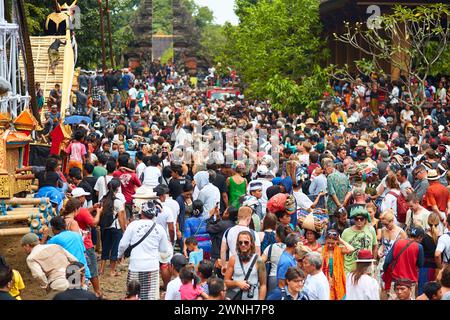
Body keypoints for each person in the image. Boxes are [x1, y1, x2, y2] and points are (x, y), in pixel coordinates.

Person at [118, 200, 169, 300]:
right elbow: (164, 249)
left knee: (133, 294)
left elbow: (123, 244)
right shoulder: (159, 228)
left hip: (135, 264)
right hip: (152, 265)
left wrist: (119, 255)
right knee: (149, 295)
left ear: (141, 213)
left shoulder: (132, 225)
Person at [21, 233, 78, 297]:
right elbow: (74, 260)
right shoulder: (55, 246)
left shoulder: (31, 258)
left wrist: (45, 285)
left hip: (58, 284)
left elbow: (38, 275)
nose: (24, 250)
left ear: (27, 245)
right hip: (73, 280)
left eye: (23, 247)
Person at [383, 226, 425, 299]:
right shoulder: (419, 247)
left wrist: (385, 271)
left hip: (396, 281)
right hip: (410, 282)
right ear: (420, 237)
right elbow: (420, 264)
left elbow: (387, 261)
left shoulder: (398, 242)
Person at [224, 230, 267, 300]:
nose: (243, 245)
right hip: (236, 297)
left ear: (251, 244)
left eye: (246, 242)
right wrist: (237, 283)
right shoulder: (233, 259)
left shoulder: (259, 261)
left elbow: (263, 284)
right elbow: (226, 282)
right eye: (240, 243)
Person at [47, 217, 91, 282]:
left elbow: (43, 254)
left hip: (69, 276)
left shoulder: (54, 239)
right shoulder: (77, 235)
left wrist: (45, 236)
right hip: (84, 272)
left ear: (52, 228)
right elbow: (83, 252)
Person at [220, 206, 261, 275]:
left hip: (232, 268)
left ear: (238, 218)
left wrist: (223, 266)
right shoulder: (253, 233)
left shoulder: (228, 231)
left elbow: (223, 251)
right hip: (248, 270)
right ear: (249, 219)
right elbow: (257, 254)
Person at [99, 178, 126, 277]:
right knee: (114, 248)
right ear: (118, 188)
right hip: (115, 227)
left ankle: (101, 269)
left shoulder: (103, 199)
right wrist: (124, 229)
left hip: (105, 226)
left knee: (105, 247)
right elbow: (121, 218)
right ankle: (112, 271)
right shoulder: (118, 202)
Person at [341, 207, 378, 274]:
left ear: (365, 219)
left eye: (361, 219)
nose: (359, 221)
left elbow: (375, 246)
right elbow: (341, 250)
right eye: (356, 219)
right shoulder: (346, 232)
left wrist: (373, 263)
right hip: (349, 269)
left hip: (367, 268)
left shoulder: (371, 229)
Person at [321, 229, 355, 300]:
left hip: (337, 280)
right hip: (325, 280)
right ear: (326, 241)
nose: (330, 245)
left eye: (333, 243)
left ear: (337, 242)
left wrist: (341, 240)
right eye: (328, 243)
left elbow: (352, 249)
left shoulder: (340, 250)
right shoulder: (321, 250)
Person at [262, 224, 288, 294]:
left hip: (273, 277)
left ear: (278, 236)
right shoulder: (290, 248)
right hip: (286, 278)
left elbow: (260, 262)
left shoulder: (270, 247)